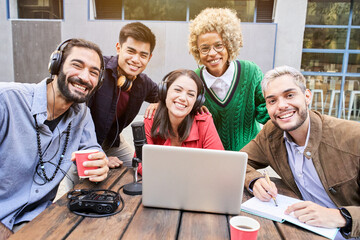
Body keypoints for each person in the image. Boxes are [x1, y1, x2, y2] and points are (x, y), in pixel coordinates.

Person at [0, 38, 109, 238]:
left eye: (94, 72)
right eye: (77, 65)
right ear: (56, 65)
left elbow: (91, 150)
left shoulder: (82, 114)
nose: (85, 77)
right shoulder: (6, 99)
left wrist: (99, 162)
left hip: (39, 218)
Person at [242, 66, 359, 239]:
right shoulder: (271, 132)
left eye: (289, 95)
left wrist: (341, 217)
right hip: (303, 228)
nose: (281, 105)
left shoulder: (353, 137)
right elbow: (239, 162)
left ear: (307, 96)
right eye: (272, 100)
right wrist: (254, 180)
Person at [188, 8, 269, 152]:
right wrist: (159, 104)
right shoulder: (193, 80)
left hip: (251, 158)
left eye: (219, 46)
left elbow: (267, 112)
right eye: (205, 48)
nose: (212, 53)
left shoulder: (251, 72)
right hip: (211, 158)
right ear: (197, 51)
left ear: (230, 45)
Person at [88, 22, 159, 169]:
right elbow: (76, 121)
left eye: (143, 55)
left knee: (140, 169)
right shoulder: (97, 69)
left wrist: (159, 101)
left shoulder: (143, 82)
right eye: (131, 51)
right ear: (118, 48)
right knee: (83, 188)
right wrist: (99, 154)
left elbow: (167, 95)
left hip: (113, 140)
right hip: (83, 142)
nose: (136, 60)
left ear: (149, 57)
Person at [138, 69, 224, 175]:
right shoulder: (151, 118)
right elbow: (141, 162)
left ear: (197, 101)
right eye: (177, 90)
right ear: (165, 92)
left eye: (191, 94)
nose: (183, 98)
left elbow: (217, 165)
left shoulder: (204, 122)